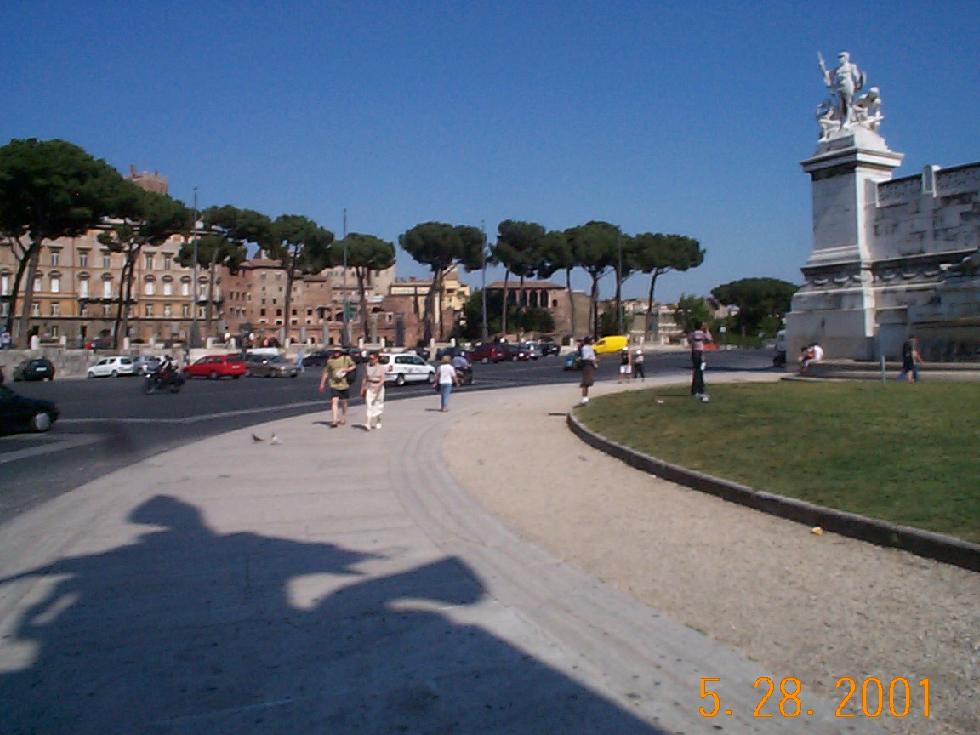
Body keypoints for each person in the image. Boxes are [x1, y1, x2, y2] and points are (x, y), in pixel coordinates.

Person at [319, 347, 356, 427]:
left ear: (340, 352)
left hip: (344, 384)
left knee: (344, 402)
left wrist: (347, 370)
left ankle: (343, 417)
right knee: (334, 401)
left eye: (338, 351)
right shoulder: (330, 361)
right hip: (334, 384)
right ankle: (334, 420)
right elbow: (326, 373)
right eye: (335, 351)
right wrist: (322, 384)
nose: (336, 353)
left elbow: (353, 366)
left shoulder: (346, 359)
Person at [360, 351, 388, 430]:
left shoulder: (381, 368)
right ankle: (368, 423)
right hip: (370, 387)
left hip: (379, 388)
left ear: (376, 359)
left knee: (379, 405)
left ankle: (378, 421)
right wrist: (362, 388)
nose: (371, 360)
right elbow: (364, 378)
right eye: (370, 359)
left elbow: (382, 379)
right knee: (369, 405)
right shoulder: (367, 367)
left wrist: (378, 386)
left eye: (372, 359)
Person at [688, 323, 713, 400]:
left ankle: (694, 390)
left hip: (694, 353)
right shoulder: (702, 334)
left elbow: (689, 340)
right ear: (701, 327)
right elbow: (710, 339)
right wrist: (707, 330)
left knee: (695, 371)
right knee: (701, 371)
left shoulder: (692, 334)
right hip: (700, 354)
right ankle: (700, 390)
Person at [578, 337, 597, 406]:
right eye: (592, 340)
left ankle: (586, 398)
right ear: (588, 341)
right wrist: (594, 362)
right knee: (586, 382)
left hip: (590, 365)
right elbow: (586, 357)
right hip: (588, 365)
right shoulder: (586, 348)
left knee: (588, 383)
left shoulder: (589, 347)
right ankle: (584, 399)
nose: (593, 341)